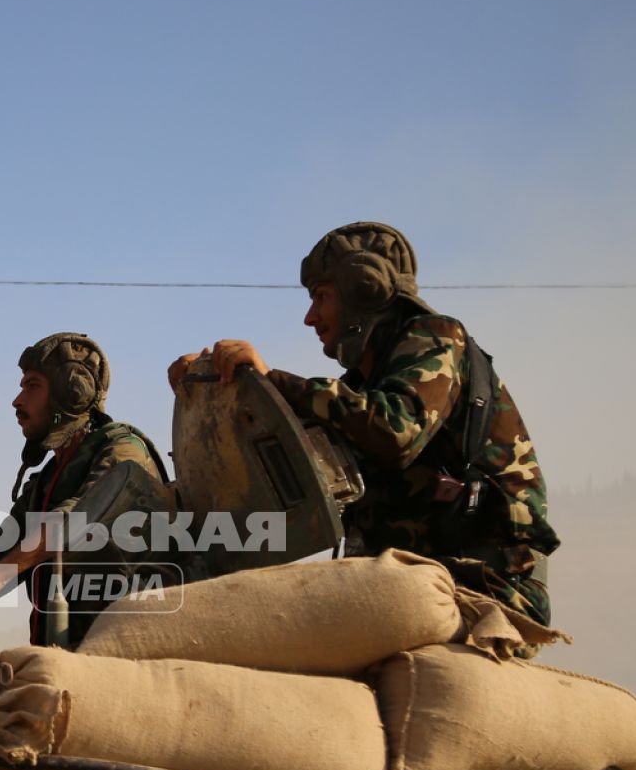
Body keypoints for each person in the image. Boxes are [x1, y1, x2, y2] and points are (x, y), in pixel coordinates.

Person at [169, 222, 559, 623]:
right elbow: (292, 473)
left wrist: (272, 381)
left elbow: (396, 431)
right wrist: (218, 391)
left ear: (364, 287)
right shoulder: (356, 392)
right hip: (414, 574)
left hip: (489, 581)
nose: (310, 317)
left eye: (321, 297)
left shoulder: (437, 337)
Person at [0, 332, 172, 647]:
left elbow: (78, 517)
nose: (17, 401)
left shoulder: (123, 451)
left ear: (71, 392)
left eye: (32, 386)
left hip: (130, 654)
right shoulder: (46, 482)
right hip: (64, 657)